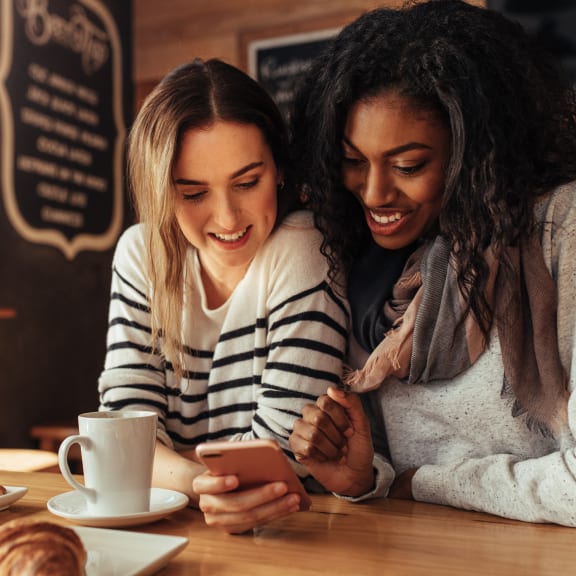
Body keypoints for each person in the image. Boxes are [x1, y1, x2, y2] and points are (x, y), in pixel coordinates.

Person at [288, 0, 576, 526]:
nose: (373, 192)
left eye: (408, 164)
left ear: (474, 152)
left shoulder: (561, 227)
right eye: (353, 161)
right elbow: (386, 477)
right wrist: (364, 477)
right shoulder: (366, 262)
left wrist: (419, 484)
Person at [97, 58, 349, 533]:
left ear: (278, 168)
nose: (228, 219)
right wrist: (198, 480)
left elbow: (284, 459)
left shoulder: (304, 247)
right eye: (193, 194)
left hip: (297, 534)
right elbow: (119, 443)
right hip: (176, 527)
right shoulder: (140, 254)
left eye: (247, 182)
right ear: (161, 194)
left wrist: (166, 461)